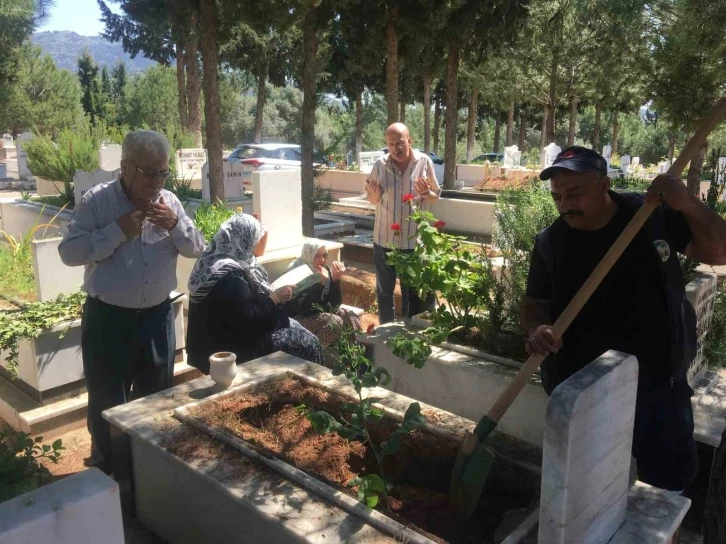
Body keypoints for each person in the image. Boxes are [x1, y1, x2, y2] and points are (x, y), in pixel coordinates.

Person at [521, 145, 726, 493]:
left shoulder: (648, 215)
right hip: (587, 387)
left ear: (603, 187)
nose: (565, 205)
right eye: (557, 197)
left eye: (574, 193)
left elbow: (720, 252)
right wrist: (537, 329)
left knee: (666, 489)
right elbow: (534, 303)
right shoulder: (551, 243)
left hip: (659, 381)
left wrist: (688, 203)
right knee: (588, 490)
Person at [58, 130, 205, 474]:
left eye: (162, 172)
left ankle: (150, 470)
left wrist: (176, 225)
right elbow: (69, 252)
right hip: (108, 320)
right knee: (107, 401)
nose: (156, 181)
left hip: (156, 318)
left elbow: (197, 247)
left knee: (157, 397)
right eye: (148, 172)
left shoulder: (171, 203)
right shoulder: (97, 202)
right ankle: (110, 474)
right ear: (125, 167)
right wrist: (117, 231)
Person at [186, 214, 323, 373]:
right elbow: (249, 321)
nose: (257, 242)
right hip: (232, 350)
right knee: (308, 344)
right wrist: (275, 298)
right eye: (255, 238)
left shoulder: (211, 260)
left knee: (304, 334)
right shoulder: (230, 274)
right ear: (243, 238)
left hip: (207, 345)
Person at [364, 122, 441, 324]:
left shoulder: (424, 162)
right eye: (390, 144)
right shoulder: (380, 165)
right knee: (384, 290)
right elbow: (373, 200)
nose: (395, 149)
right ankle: (386, 331)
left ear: (409, 141)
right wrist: (373, 194)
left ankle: (408, 331)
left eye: (399, 143)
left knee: (412, 292)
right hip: (384, 241)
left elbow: (435, 196)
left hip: (413, 242)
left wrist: (426, 192)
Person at [286, 241, 362, 347]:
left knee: (351, 317)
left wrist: (335, 280)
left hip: (317, 315)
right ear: (309, 255)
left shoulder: (323, 271)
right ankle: (313, 355)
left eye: (324, 255)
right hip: (296, 319)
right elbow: (304, 309)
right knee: (334, 322)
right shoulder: (297, 273)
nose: (322, 260)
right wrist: (319, 284)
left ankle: (351, 357)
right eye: (317, 256)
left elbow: (334, 305)